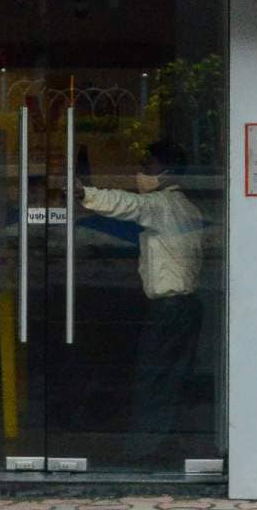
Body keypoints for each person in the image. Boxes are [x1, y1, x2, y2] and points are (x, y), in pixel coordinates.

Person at [73, 141, 203, 445]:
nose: (142, 172)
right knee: (172, 380)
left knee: (153, 378)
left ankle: (146, 447)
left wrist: (85, 193)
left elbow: (129, 204)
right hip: (186, 307)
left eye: (150, 166)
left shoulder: (162, 204)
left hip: (170, 309)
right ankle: (164, 442)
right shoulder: (188, 208)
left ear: (170, 172)